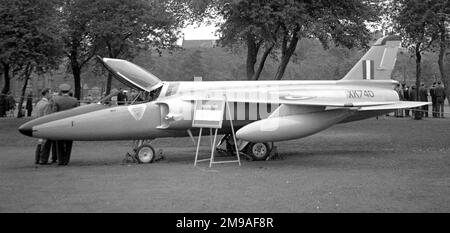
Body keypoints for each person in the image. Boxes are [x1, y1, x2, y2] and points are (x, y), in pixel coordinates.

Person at [50, 84, 79, 165]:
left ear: (60, 91)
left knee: (59, 143)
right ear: (69, 91)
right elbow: (77, 113)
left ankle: (60, 160)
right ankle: (66, 160)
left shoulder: (56, 100)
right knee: (69, 143)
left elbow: (54, 113)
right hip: (71, 124)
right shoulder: (74, 100)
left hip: (59, 124)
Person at [34, 88, 55, 165]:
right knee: (46, 143)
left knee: (40, 142)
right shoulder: (47, 104)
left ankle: (37, 158)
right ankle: (43, 159)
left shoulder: (39, 103)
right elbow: (47, 117)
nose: (51, 94)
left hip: (37, 124)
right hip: (44, 126)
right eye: (50, 93)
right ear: (46, 93)